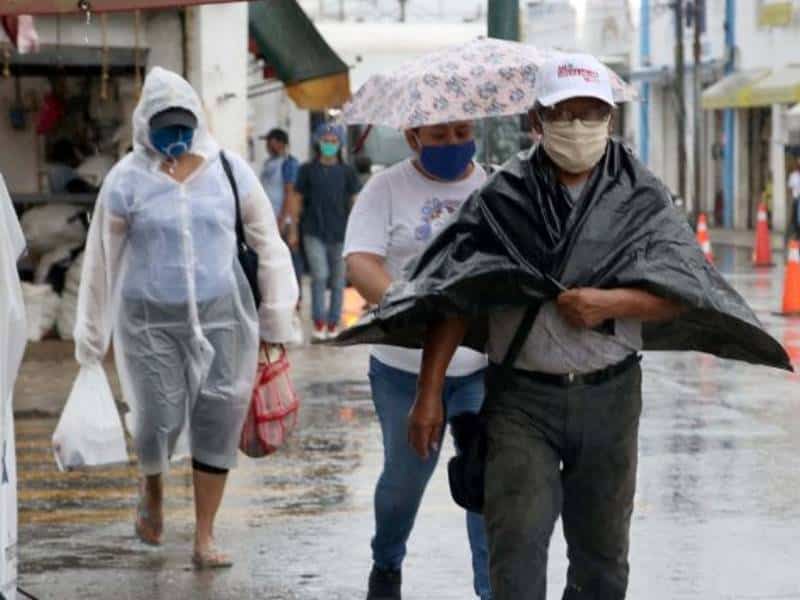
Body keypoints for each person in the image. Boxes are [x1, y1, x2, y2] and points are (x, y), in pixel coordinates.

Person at [74, 67, 298, 568]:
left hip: (225, 317)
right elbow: (100, 262)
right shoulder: (125, 181)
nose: (174, 136)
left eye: (182, 124)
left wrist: (277, 317)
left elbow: (267, 241)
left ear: (196, 120)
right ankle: (152, 485)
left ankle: (204, 535)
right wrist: (91, 337)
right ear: (143, 125)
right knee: (158, 418)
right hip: (148, 322)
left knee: (218, 417)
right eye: (163, 126)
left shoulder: (229, 171)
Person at [344, 120, 492, 600]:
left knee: (484, 481)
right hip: (401, 368)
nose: (452, 145)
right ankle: (386, 562)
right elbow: (360, 261)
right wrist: (409, 303)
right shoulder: (385, 189)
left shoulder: (494, 187)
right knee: (403, 486)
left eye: (460, 133)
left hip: (478, 369)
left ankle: (490, 590)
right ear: (412, 139)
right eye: (438, 136)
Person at [294, 123, 361, 341]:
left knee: (339, 280)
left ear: (340, 143)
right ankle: (318, 321)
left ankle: (333, 323)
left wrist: (357, 233)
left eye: (333, 141)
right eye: (326, 140)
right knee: (320, 275)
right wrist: (293, 229)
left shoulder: (347, 172)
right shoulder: (307, 170)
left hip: (341, 234)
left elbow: (355, 202)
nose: (329, 144)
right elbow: (297, 200)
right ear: (318, 142)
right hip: (313, 231)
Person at [259, 128, 303, 298]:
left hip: (283, 219)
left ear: (279, 143)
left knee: (290, 257)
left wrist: (283, 219)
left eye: (270, 142)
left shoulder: (289, 164)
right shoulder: (268, 163)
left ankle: (295, 295)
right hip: (269, 217)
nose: (268, 146)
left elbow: (290, 193)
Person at [788, 158, 800, 240]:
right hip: (796, 199)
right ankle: (796, 234)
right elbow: (790, 187)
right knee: (795, 218)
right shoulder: (793, 175)